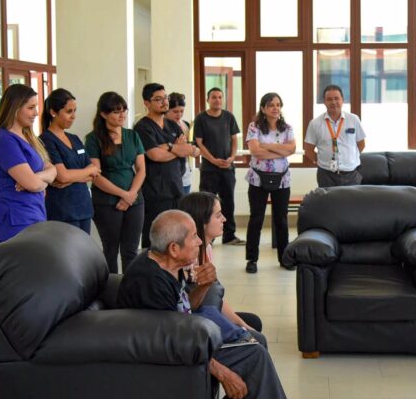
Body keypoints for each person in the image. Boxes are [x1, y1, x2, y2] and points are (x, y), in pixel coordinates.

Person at [117, 210, 287, 399]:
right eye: (194, 237)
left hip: (187, 332)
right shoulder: (151, 283)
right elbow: (171, 343)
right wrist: (223, 373)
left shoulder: (168, 262)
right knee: (255, 355)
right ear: (174, 248)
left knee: (257, 341)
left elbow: (185, 307)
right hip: (173, 350)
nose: (199, 242)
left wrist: (204, 286)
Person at [179, 191, 263, 330]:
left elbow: (216, 298)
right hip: (197, 322)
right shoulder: (186, 260)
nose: (224, 219)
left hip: (209, 310)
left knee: (253, 322)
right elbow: (188, 309)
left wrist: (243, 325)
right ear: (202, 221)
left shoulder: (207, 249)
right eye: (218, 216)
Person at [85, 92, 146, 274]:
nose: (122, 115)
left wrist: (131, 195)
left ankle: (130, 287)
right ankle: (110, 287)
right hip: (107, 201)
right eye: (116, 111)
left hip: (135, 200)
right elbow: (95, 175)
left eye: (124, 110)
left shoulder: (132, 136)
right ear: (103, 114)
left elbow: (141, 170)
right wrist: (123, 195)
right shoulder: (93, 139)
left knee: (131, 250)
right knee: (110, 250)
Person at [0, 84, 57, 243]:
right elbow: (34, 185)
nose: (36, 113)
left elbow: (52, 170)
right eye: (31, 108)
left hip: (34, 212)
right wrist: (41, 180)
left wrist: (38, 177)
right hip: (15, 216)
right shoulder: (4, 140)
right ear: (15, 108)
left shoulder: (29, 137)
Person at [134, 83, 198, 249]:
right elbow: (154, 155)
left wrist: (168, 148)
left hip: (176, 189)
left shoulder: (173, 125)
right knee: (155, 243)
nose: (164, 102)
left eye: (165, 98)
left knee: (176, 239)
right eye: (158, 99)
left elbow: (186, 150)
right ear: (147, 103)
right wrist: (176, 148)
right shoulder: (142, 127)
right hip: (155, 193)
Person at [244, 93, 297, 273]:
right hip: (258, 179)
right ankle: (252, 259)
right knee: (256, 219)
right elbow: (255, 151)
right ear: (263, 108)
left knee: (281, 219)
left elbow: (292, 149)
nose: (275, 108)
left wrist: (265, 146)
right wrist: (280, 151)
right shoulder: (254, 126)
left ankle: (284, 258)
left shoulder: (287, 128)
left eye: (278, 104)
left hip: (282, 179)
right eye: (271, 105)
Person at [39, 88, 99, 234]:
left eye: (74, 111)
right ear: (53, 112)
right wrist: (86, 171)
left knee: (83, 248)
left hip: (83, 208)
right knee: (67, 249)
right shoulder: (46, 140)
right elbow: (62, 176)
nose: (73, 116)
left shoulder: (74, 139)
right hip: (63, 211)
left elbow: (94, 173)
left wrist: (71, 177)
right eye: (68, 111)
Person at [193, 87, 245, 245]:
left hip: (227, 168)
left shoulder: (229, 117)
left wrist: (232, 157)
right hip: (209, 169)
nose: (217, 100)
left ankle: (229, 236)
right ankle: (205, 238)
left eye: (220, 97)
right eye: (214, 97)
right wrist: (213, 160)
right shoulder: (201, 118)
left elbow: (234, 139)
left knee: (228, 202)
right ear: (208, 100)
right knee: (207, 204)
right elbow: (199, 143)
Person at [304, 85, 366, 187]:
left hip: (351, 174)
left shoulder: (353, 119)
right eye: (329, 99)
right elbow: (308, 149)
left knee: (352, 198)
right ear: (324, 102)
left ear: (342, 100)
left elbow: (361, 144)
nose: (333, 102)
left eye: (336, 98)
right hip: (326, 175)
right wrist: (322, 160)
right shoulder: (315, 124)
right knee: (328, 198)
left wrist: (349, 159)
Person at [165, 92, 199, 194]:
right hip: (168, 177)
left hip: (185, 175)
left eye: (182, 111)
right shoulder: (161, 126)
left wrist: (194, 151)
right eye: (175, 111)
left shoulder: (186, 125)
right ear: (167, 109)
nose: (179, 115)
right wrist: (178, 148)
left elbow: (196, 149)